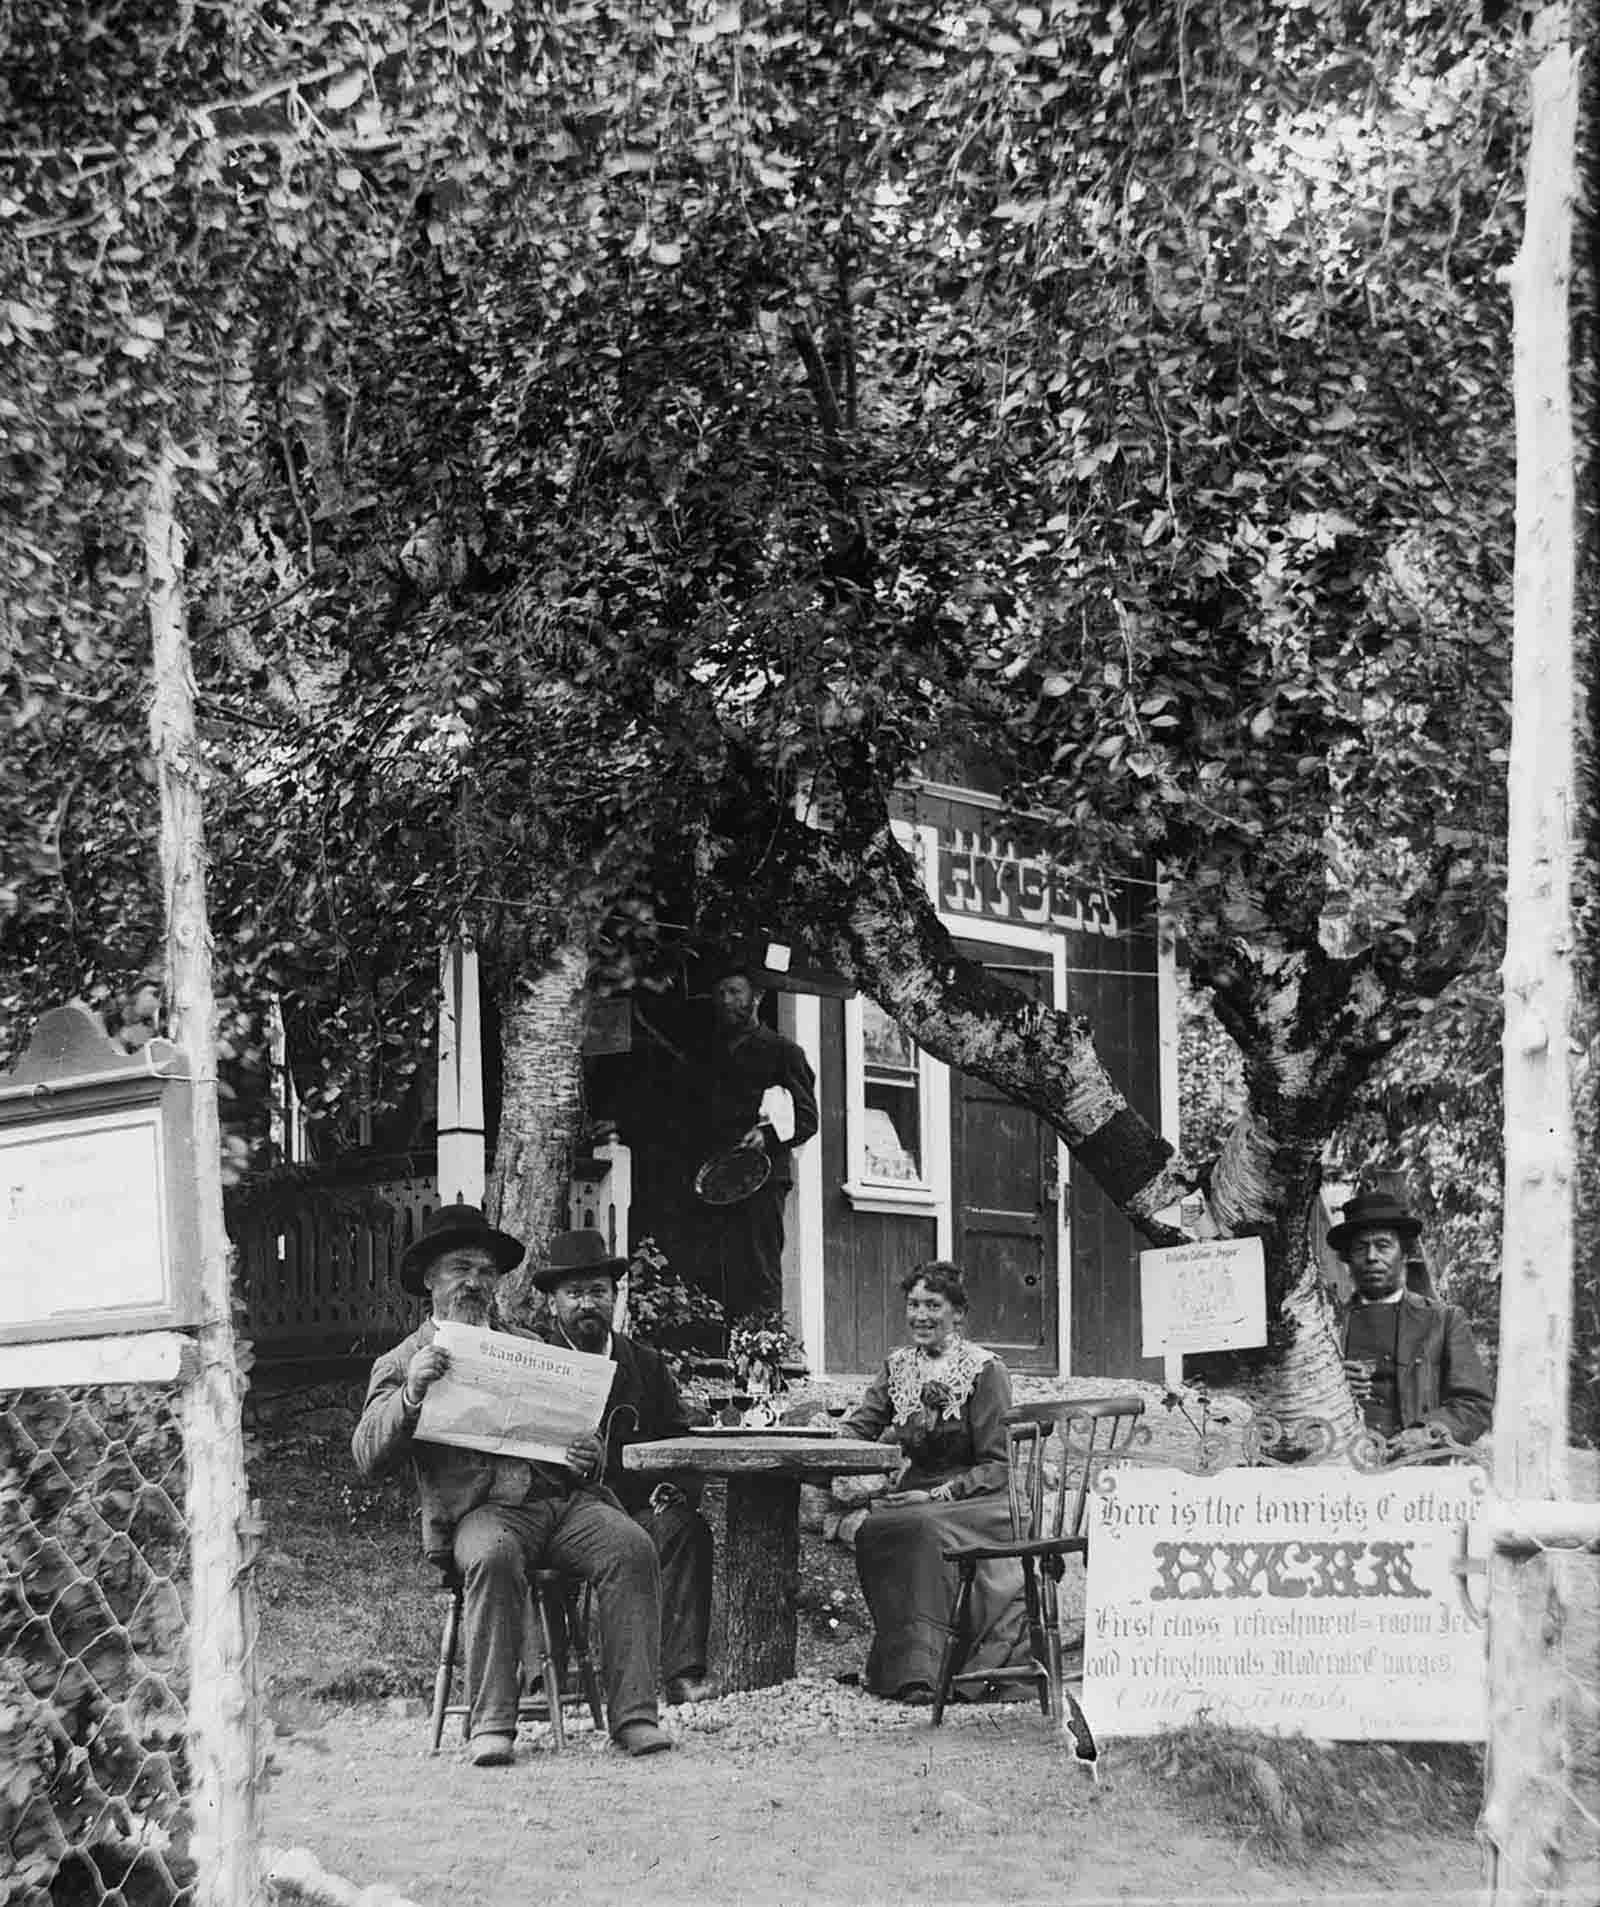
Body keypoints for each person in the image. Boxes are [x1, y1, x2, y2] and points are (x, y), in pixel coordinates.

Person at [350, 1204, 674, 1764]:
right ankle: (491, 1725)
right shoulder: (404, 1359)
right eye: (459, 1269)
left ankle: (636, 1716)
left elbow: (577, 1438)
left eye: (484, 1271)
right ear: (430, 1279)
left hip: (559, 1504)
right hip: (483, 1514)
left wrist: (587, 1452)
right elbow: (366, 1455)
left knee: (631, 1546)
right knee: (494, 1555)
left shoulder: (527, 1345)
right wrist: (411, 1395)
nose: (473, 1282)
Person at [535, 1228, 717, 1706]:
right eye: (573, 1294)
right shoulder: (537, 1362)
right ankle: (542, 1678)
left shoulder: (646, 1364)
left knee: (684, 1529)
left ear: (615, 1299)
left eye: (598, 1292)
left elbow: (680, 1440)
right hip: (561, 1510)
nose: (586, 1304)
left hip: (635, 1508)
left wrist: (676, 1489)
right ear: (553, 1304)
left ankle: (683, 1673)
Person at [839, 1260, 1028, 1704]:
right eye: (913, 1305)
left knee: (924, 1529)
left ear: (958, 1313)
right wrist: (828, 1443)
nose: (921, 1316)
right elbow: (861, 1426)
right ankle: (906, 1671)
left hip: (979, 1499)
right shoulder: (899, 1366)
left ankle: (935, 1672)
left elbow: (997, 1464)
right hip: (918, 1494)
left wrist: (939, 1492)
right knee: (877, 1527)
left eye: (933, 1305)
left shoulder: (984, 1370)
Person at [682, 961, 818, 1326]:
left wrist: (767, 1136)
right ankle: (719, 1349)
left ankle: (762, 1354)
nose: (726, 1001)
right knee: (716, 1263)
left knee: (759, 1263)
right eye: (720, 994)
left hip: (764, 1177)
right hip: (717, 1178)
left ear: (757, 997)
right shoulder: (708, 1053)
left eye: (735, 992)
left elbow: (807, 1119)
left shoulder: (783, 1052)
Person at [1329, 1190, 1494, 1456]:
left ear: (1404, 1253)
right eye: (1360, 1248)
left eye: (1383, 1245)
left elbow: (1474, 1405)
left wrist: (1426, 1434)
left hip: (1418, 1469)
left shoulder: (1444, 1320)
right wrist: (1333, 1384)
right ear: (1347, 1258)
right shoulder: (1326, 1326)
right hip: (1341, 1464)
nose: (1372, 1257)